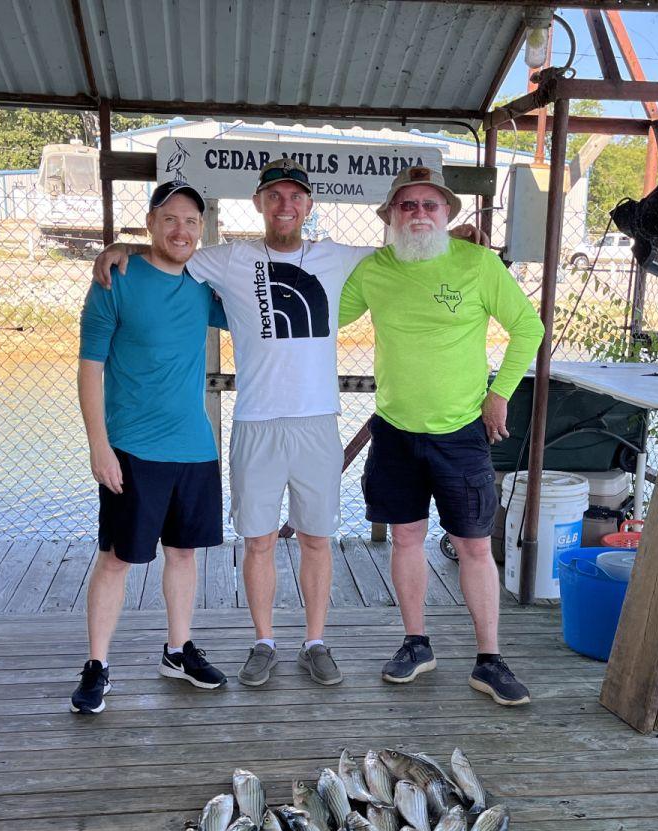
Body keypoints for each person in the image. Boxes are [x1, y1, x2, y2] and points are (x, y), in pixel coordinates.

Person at [95, 158, 477, 689]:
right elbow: (170, 255)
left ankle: (315, 641)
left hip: (317, 423)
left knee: (318, 539)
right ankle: (263, 641)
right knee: (259, 541)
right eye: (274, 196)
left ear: (309, 206)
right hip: (255, 422)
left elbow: (411, 248)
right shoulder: (227, 259)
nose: (285, 206)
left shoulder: (340, 257)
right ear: (259, 203)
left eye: (295, 197)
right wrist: (124, 250)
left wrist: (457, 234)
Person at [339, 164, 545, 707]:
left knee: (474, 545)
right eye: (408, 206)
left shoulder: (478, 263)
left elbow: (529, 327)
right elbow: (316, 315)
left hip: (461, 432)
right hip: (395, 431)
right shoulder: (373, 270)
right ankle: (416, 643)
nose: (420, 214)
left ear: (448, 213)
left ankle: (489, 659)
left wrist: (499, 392)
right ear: (390, 217)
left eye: (431, 205)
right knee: (405, 538)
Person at [70, 180, 230, 714]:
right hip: (132, 450)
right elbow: (89, 368)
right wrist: (99, 446)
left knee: (183, 554)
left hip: (195, 448)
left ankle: (178, 650)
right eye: (169, 218)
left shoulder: (205, 287)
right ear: (150, 223)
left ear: (200, 231)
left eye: (191, 221)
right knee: (117, 559)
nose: (180, 229)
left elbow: (264, 292)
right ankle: (97, 665)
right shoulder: (115, 279)